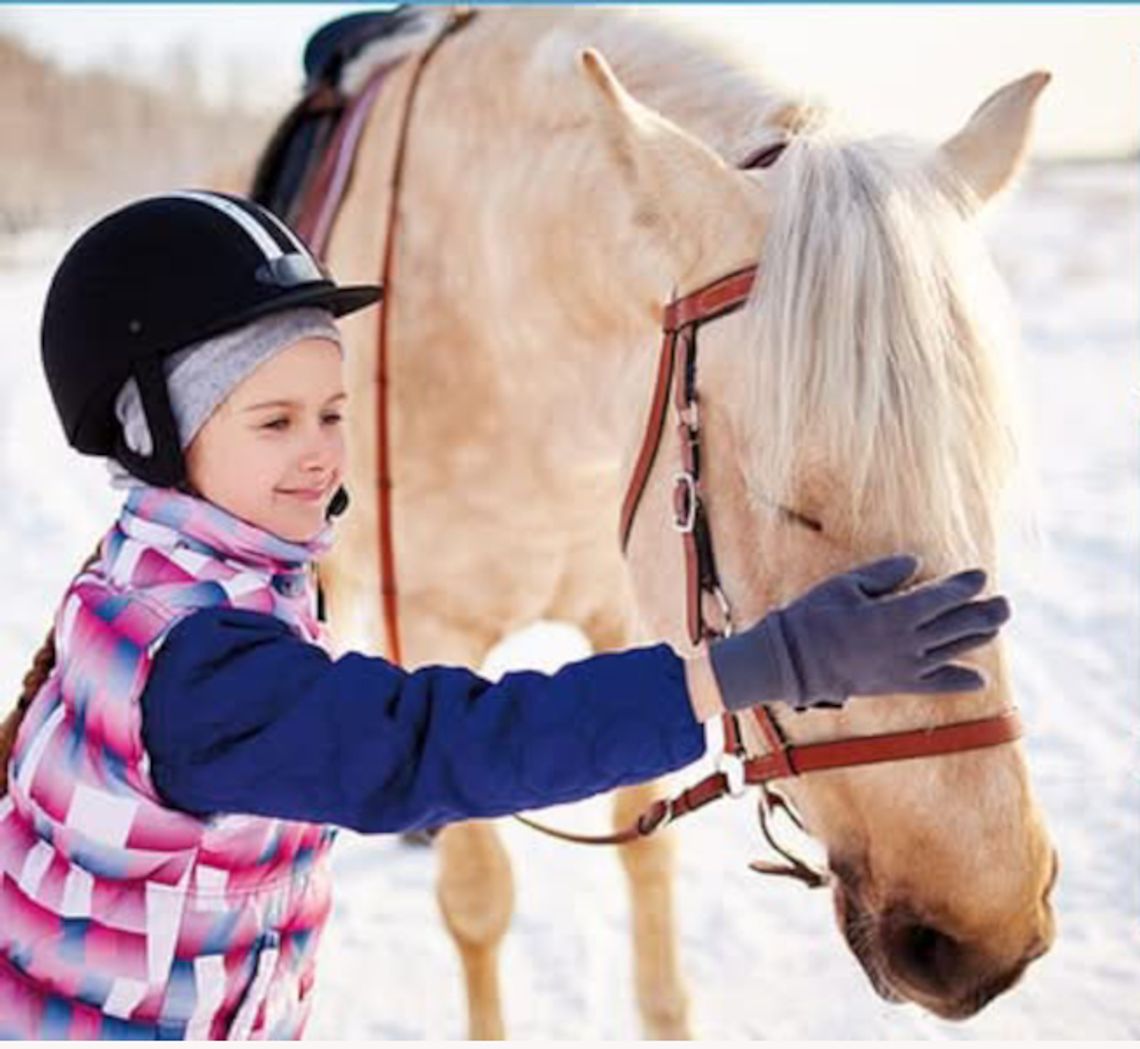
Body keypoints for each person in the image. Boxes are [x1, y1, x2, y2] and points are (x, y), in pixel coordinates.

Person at [0, 191, 1011, 1039]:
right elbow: (437, 745)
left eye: (333, 412)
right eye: (275, 421)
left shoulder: (153, 569)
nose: (320, 451)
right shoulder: (203, 668)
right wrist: (755, 665)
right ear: (152, 434)